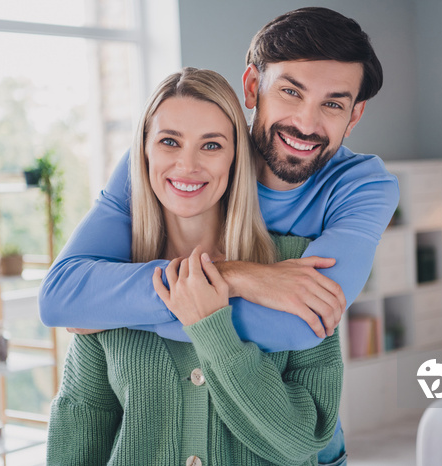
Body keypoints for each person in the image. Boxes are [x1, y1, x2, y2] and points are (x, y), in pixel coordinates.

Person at [40, 7, 399, 464]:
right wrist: (242, 280)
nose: (307, 124)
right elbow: (60, 298)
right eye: (291, 92)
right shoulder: (185, 160)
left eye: (332, 103)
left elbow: (298, 324)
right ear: (253, 87)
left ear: (354, 115)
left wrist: (115, 307)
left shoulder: (363, 186)